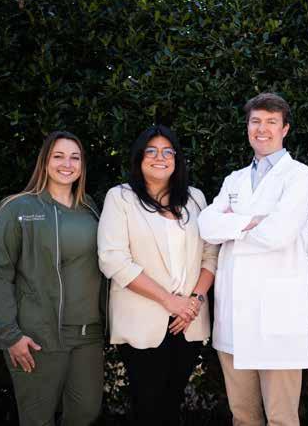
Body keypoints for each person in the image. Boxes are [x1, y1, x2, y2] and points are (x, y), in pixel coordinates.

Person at [198, 92, 308, 426]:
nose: (262, 129)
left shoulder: (299, 175)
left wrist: (232, 223)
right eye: (256, 121)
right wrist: (253, 221)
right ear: (248, 127)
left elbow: (279, 233)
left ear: (285, 129)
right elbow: (206, 226)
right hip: (235, 314)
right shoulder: (233, 180)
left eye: (271, 122)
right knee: (243, 417)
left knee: (281, 418)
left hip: (278, 315)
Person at [97, 125, 218, 426]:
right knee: (147, 407)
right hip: (142, 321)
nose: (159, 157)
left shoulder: (195, 198)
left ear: (177, 159)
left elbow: (211, 255)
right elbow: (113, 259)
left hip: (188, 321)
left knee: (172, 405)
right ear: (139, 158)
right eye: (151, 151)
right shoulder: (121, 198)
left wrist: (194, 301)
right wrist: (168, 300)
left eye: (167, 151)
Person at [0, 131, 104, 426]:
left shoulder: (90, 208)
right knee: (37, 419)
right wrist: (10, 334)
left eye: (75, 157)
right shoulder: (18, 208)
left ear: (82, 165)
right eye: (58, 156)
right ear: (45, 162)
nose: (67, 164)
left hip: (88, 334)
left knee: (86, 412)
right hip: (38, 334)